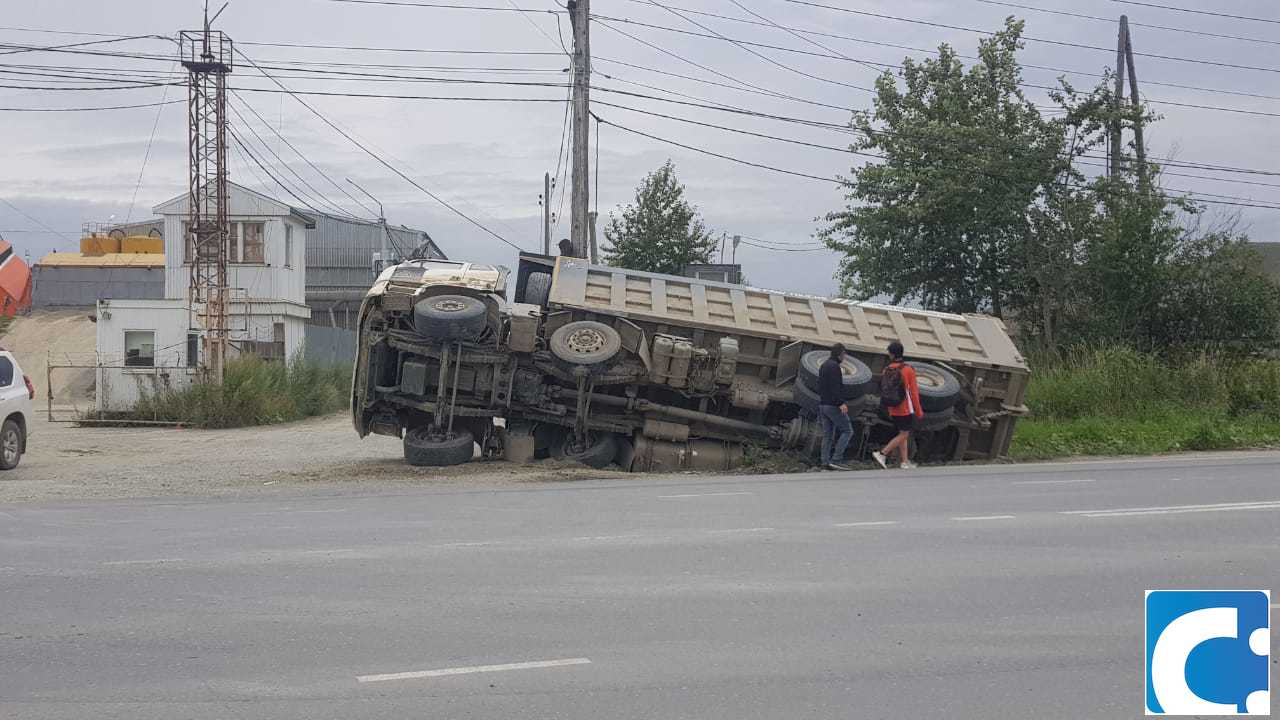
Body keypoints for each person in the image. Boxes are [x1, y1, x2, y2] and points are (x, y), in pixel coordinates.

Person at [873, 340, 923, 470]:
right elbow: (914, 393)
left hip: (892, 407)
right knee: (904, 434)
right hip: (905, 408)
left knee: (902, 433)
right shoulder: (908, 370)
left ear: (892, 355)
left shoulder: (887, 369)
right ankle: (882, 453)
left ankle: (905, 462)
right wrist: (919, 412)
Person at [817, 343, 854, 471]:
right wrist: (841, 403)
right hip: (833, 405)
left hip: (823, 404)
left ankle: (824, 462)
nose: (845, 357)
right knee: (848, 431)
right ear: (840, 354)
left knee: (828, 435)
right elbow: (835, 388)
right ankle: (836, 460)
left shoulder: (824, 365)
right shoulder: (834, 367)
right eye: (844, 354)